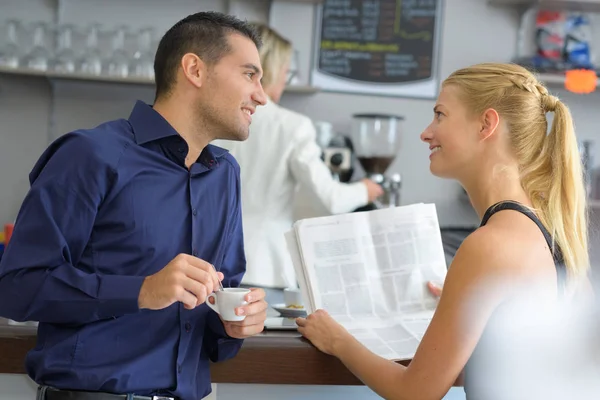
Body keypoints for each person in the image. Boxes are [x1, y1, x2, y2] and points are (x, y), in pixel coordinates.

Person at [0, 12, 269, 400]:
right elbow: (15, 286)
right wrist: (141, 291)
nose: (261, 95)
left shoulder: (224, 173)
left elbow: (217, 305)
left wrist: (235, 324)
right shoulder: (90, 155)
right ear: (194, 69)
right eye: (249, 75)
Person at [296, 63, 595, 399]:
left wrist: (337, 339)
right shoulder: (553, 235)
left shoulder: (491, 246)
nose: (426, 132)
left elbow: (416, 393)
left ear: (486, 124)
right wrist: (466, 306)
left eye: (440, 115)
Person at [213, 23, 383, 305]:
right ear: (270, 70)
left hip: (212, 262)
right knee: (264, 346)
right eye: (285, 72)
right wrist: (366, 189)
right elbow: (331, 199)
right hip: (266, 266)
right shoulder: (293, 126)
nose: (285, 80)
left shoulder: (217, 118)